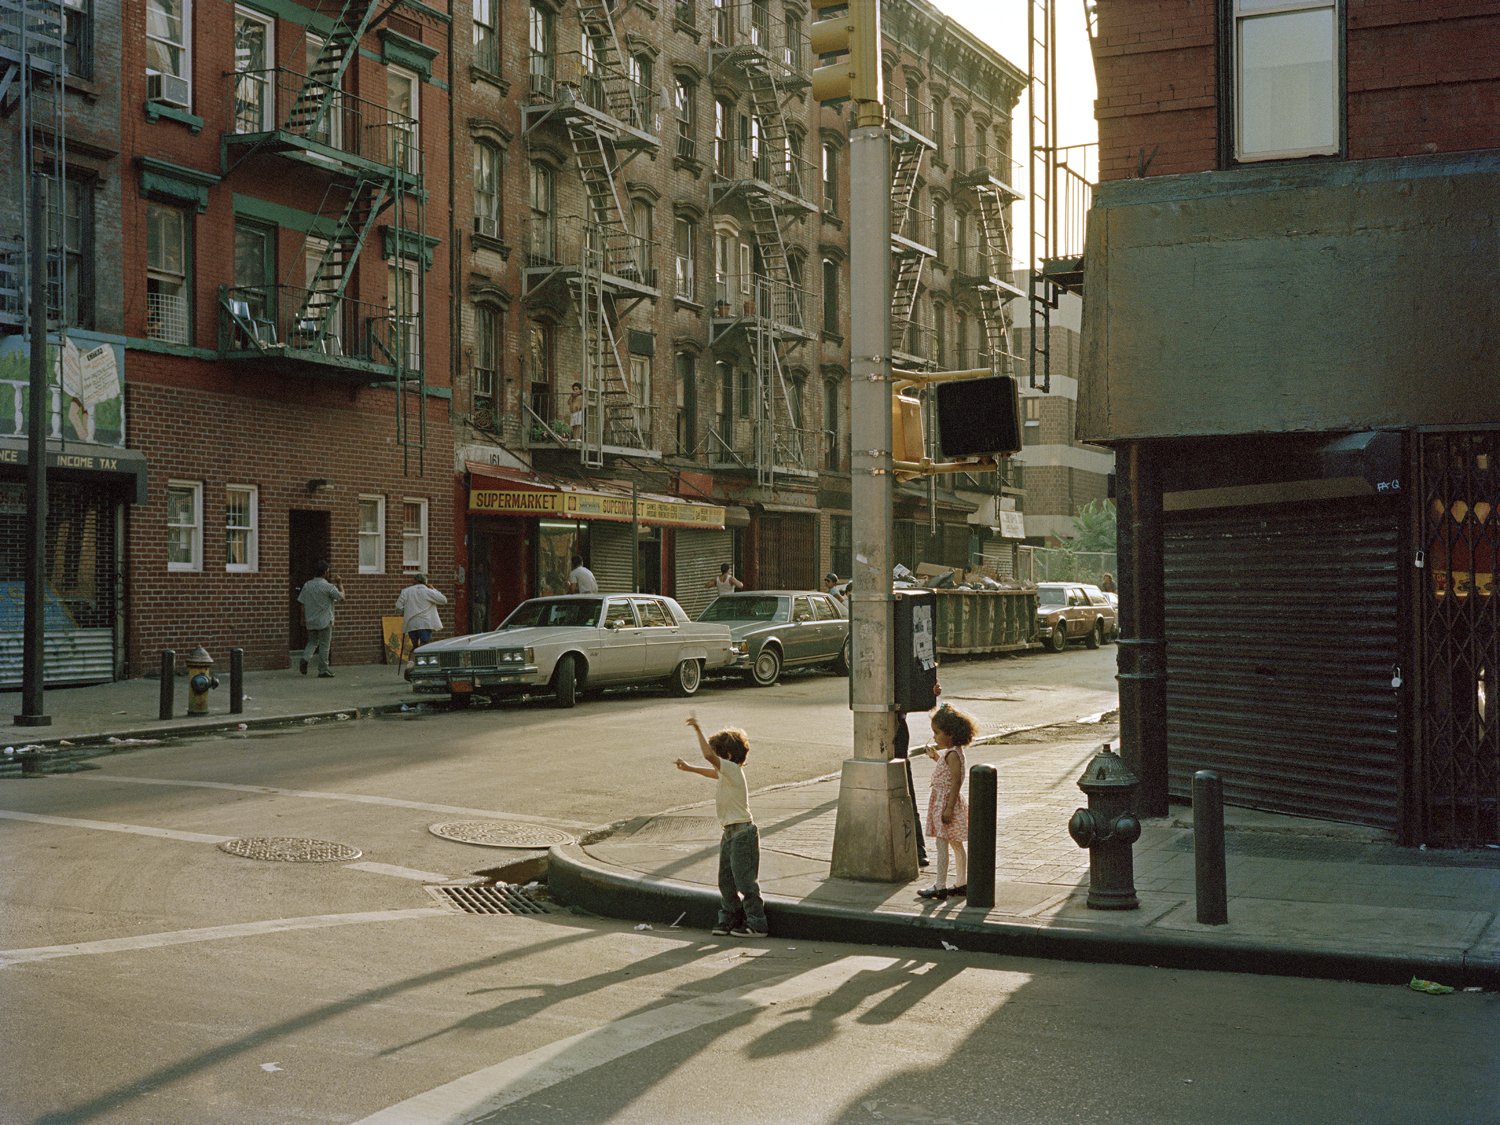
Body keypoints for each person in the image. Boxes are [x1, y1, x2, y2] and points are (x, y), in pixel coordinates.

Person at [675, 715, 768, 938]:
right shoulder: (727, 774)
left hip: (743, 833)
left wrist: (698, 729)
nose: (714, 760)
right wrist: (689, 769)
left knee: (745, 881)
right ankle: (730, 918)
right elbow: (710, 771)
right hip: (729, 833)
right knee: (725, 881)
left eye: (717, 756)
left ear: (727, 756)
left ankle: (757, 923)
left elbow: (708, 756)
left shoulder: (734, 771)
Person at [918, 702, 978, 901]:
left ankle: (940, 885)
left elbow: (956, 780)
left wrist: (949, 808)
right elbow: (949, 771)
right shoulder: (953, 753)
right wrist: (935, 757)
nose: (934, 737)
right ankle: (962, 882)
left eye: (937, 733)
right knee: (956, 844)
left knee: (942, 844)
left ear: (950, 734)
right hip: (944, 800)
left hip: (945, 802)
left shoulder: (953, 755)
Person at [894, 680, 942, 869]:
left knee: (906, 785)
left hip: (897, 725)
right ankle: (916, 846)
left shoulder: (904, 655)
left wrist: (928, 691)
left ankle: (917, 846)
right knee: (905, 783)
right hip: (884, 723)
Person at [297, 560, 344, 678]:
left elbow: (302, 604)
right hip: (325, 620)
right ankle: (323, 669)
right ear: (325, 572)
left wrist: (302, 619)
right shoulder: (328, 587)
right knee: (324, 645)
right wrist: (340, 584)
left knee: (312, 642)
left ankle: (305, 658)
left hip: (311, 619)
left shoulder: (307, 585)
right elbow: (342, 597)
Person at [395, 574, 447, 669]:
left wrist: (406, 610)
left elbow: (398, 607)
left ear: (414, 581)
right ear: (425, 582)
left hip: (411, 623)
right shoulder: (428, 591)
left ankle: (411, 663)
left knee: (415, 645)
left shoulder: (406, 591)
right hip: (425, 623)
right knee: (424, 645)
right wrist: (433, 589)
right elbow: (443, 600)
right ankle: (421, 666)